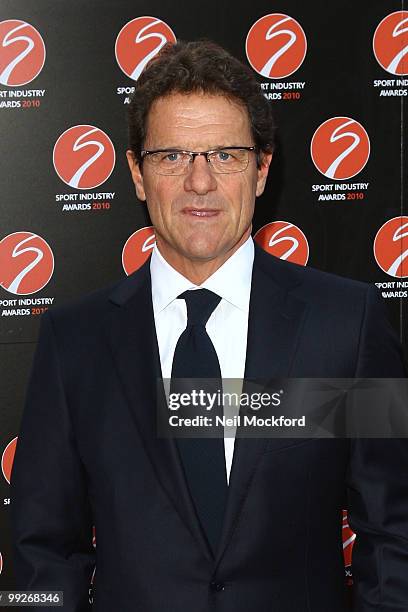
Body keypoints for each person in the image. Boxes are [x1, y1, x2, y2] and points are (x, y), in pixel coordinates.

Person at [11, 40, 408, 612]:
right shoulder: (75, 342)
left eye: (225, 155)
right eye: (172, 156)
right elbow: (40, 553)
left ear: (262, 169)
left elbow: (395, 531)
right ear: (138, 174)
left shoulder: (344, 327)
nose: (200, 182)